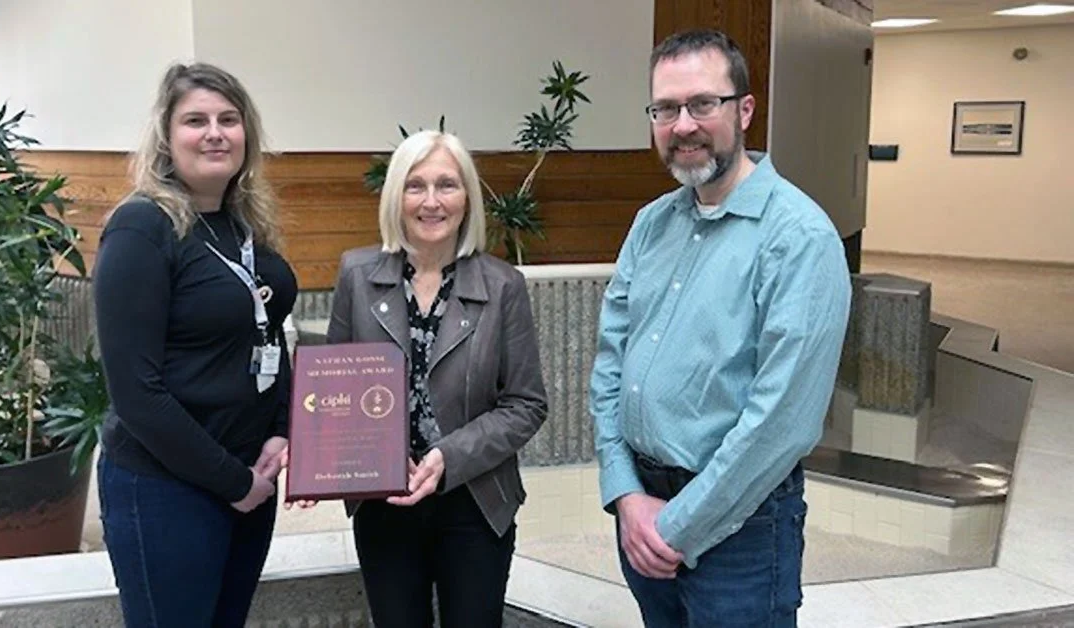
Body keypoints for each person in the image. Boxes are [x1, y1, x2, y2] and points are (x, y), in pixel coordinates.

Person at [591, 29, 852, 627]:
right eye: (665, 108)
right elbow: (610, 364)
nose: (683, 125)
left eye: (703, 103)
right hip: (643, 507)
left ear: (745, 110)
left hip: (743, 529)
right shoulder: (651, 224)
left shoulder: (799, 239)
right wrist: (626, 495)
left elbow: (782, 420)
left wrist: (676, 526)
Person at [93, 62, 298, 627]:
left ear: (246, 134)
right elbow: (136, 394)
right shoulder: (141, 229)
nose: (215, 132)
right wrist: (235, 483)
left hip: (247, 480)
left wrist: (281, 428)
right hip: (165, 488)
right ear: (166, 136)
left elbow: (267, 330)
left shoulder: (240, 224)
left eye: (229, 119)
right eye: (196, 120)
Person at [325, 130, 547, 627]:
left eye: (446, 185)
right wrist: (320, 460)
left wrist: (448, 458)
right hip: (384, 499)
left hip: (475, 500)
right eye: (415, 186)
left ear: (467, 197)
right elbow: (331, 389)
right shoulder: (356, 276)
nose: (431, 201)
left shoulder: (503, 285)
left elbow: (526, 404)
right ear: (395, 197)